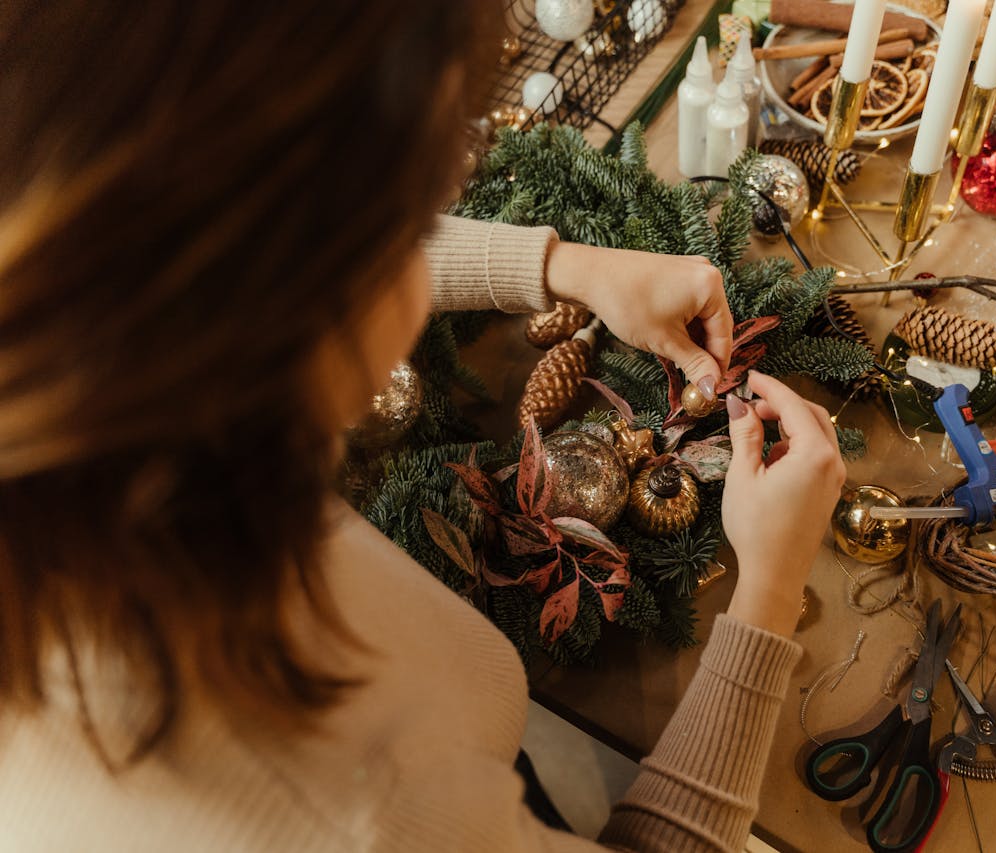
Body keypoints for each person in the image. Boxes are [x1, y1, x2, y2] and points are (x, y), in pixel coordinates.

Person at [0, 3, 845, 851]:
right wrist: (767, 596)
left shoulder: (91, 377)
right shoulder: (350, 812)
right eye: (414, 215)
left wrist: (567, 266)